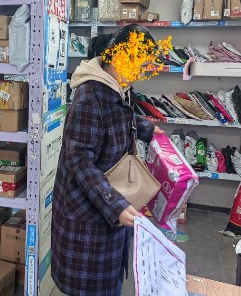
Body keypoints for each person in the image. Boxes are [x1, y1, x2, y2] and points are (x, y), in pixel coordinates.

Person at [51, 25, 169, 296]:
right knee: (92, 286)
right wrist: (115, 204)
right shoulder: (90, 97)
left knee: (109, 281)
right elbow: (79, 161)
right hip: (87, 209)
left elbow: (118, 117)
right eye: (142, 65)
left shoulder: (117, 86)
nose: (144, 73)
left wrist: (146, 128)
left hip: (106, 198)